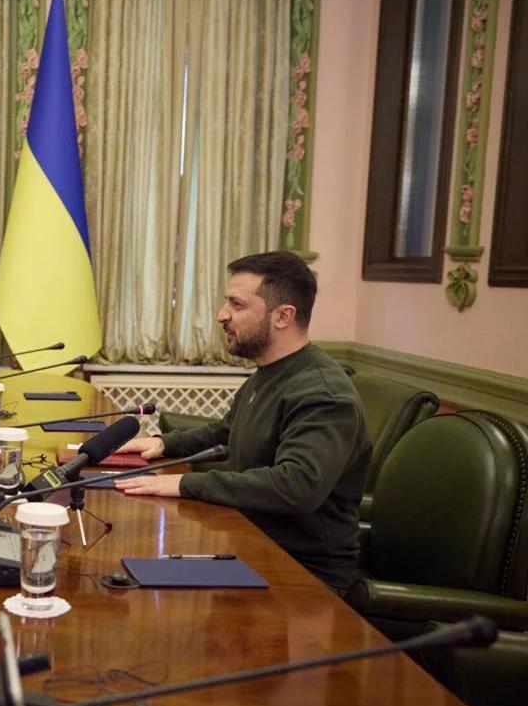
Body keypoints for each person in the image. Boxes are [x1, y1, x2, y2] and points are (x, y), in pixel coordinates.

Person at [115, 251, 371, 592]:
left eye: (236, 305)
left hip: (303, 576)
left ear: (283, 316)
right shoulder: (271, 372)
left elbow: (297, 486)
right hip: (250, 543)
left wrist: (186, 484)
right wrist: (164, 444)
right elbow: (228, 430)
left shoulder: (323, 394)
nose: (222, 315)